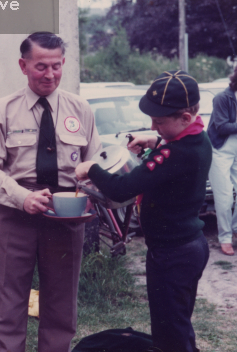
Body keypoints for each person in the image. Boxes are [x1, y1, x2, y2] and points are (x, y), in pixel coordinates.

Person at [0, 32, 101, 352]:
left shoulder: (80, 108)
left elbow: (94, 160)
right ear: (23, 65)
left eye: (57, 66)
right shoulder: (3, 109)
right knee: (8, 298)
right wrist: (22, 197)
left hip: (66, 212)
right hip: (17, 210)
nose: (50, 75)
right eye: (41, 66)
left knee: (60, 301)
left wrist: (92, 190)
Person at [76, 70, 211, 352]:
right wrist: (155, 140)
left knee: (169, 334)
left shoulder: (175, 154)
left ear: (185, 118)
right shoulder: (199, 140)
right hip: (187, 247)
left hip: (171, 255)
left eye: (159, 122)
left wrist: (92, 168)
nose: (153, 126)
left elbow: (121, 188)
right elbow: (178, 148)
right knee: (178, 324)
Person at [207, 65, 237, 256]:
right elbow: (221, 126)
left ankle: (236, 228)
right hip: (219, 149)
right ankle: (225, 238)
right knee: (225, 196)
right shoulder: (222, 97)